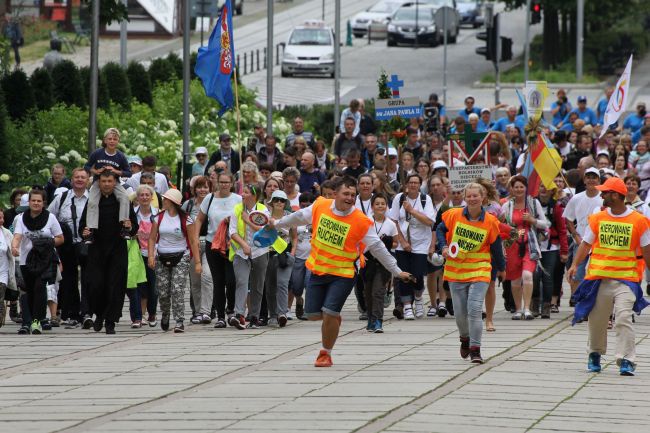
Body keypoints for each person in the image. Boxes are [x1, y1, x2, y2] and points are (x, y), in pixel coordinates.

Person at [267, 176, 412, 367]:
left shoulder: (361, 220)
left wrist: (397, 271)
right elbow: (299, 216)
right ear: (335, 194)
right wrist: (277, 224)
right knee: (312, 315)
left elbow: (377, 247)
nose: (350, 198)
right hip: (318, 270)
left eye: (353, 195)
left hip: (343, 274)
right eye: (346, 193)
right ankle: (333, 318)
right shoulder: (321, 206)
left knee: (328, 313)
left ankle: (325, 353)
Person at [568, 177, 650, 376]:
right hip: (599, 277)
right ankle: (595, 354)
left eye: (605, 192)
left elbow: (647, 250)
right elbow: (586, 244)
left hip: (627, 279)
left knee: (623, 317)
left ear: (615, 195)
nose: (601, 195)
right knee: (597, 320)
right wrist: (574, 265)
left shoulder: (639, 220)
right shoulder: (598, 218)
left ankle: (627, 360)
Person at [437, 182, 506, 363]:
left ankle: (476, 349)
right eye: (469, 196)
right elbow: (439, 229)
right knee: (460, 313)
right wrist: (443, 246)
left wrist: (502, 269)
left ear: (483, 198)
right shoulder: (454, 214)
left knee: (474, 310)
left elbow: (496, 246)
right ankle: (465, 339)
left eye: (476, 196)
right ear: (465, 198)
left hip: (480, 269)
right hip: (456, 271)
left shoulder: (490, 221)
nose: (472, 199)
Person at [80, 171, 139, 334]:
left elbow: (134, 227)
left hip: (117, 251)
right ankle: (99, 315)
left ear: (115, 183)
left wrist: (130, 227)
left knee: (115, 287)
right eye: (103, 181)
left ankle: (111, 321)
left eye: (109, 181)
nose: (106, 184)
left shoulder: (124, 202)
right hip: (96, 250)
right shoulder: (93, 201)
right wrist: (83, 232)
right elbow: (82, 225)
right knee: (96, 286)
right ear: (98, 183)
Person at [228, 183, 283, 329]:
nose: (243, 195)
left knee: (258, 285)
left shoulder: (263, 209)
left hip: (260, 251)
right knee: (241, 281)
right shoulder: (237, 209)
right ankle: (239, 314)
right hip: (241, 252)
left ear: (254, 196)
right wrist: (244, 245)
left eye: (246, 192)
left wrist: (248, 221)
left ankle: (254, 317)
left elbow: (266, 229)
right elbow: (232, 231)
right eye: (242, 192)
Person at [10, 188, 63, 334]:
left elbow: (60, 238)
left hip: (44, 260)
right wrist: (14, 247)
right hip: (26, 260)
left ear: (43, 203)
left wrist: (47, 242)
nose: (36, 203)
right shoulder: (21, 218)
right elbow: (17, 236)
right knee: (27, 291)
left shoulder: (50, 217)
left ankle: (36, 321)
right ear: (29, 202)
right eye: (33, 200)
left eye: (39, 201)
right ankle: (26, 322)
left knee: (39, 288)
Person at [194, 172, 241, 328]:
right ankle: (220, 316)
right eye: (221, 182)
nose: (224, 185)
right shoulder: (210, 198)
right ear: (217, 183)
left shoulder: (238, 199)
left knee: (231, 280)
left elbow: (244, 219)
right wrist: (195, 236)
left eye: (227, 182)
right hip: (212, 244)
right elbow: (200, 219)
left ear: (232, 183)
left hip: (232, 245)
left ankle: (231, 310)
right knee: (218, 281)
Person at [148, 189, 200, 333]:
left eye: (165, 199)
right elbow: (152, 238)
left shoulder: (186, 219)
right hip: (161, 256)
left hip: (181, 255)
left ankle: (179, 320)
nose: (163, 201)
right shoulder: (158, 217)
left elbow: (193, 240)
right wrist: (151, 256)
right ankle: (165, 314)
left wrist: (197, 262)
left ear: (173, 202)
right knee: (163, 291)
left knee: (177, 289)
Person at [501, 175, 550, 320]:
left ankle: (527, 308)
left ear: (526, 188)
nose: (519, 189)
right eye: (516, 187)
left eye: (521, 187)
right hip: (512, 246)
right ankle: (518, 309)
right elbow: (500, 224)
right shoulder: (507, 205)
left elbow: (545, 224)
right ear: (511, 189)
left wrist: (532, 220)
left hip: (530, 245)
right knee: (515, 280)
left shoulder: (534, 204)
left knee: (527, 275)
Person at [388, 174, 435, 320]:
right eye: (411, 182)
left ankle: (419, 298)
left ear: (420, 184)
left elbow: (429, 221)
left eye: (416, 182)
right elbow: (394, 221)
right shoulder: (399, 198)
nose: (413, 185)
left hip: (421, 242)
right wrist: (402, 241)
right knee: (404, 275)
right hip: (403, 242)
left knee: (418, 274)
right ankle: (407, 305)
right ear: (406, 184)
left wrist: (412, 211)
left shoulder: (425, 199)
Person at [48, 167, 90, 327]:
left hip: (87, 244)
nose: (80, 180)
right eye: (77, 177)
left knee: (88, 279)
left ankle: (86, 312)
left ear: (88, 181)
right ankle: (73, 313)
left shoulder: (93, 199)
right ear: (71, 179)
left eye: (83, 177)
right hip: (67, 246)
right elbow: (50, 217)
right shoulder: (62, 197)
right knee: (69, 280)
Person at [84, 128, 132, 243]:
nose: (112, 141)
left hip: (114, 182)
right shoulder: (98, 153)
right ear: (105, 140)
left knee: (125, 197)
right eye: (109, 139)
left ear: (118, 141)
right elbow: (87, 166)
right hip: (98, 181)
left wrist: (115, 171)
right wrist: (96, 171)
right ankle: (90, 230)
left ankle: (124, 226)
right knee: (92, 201)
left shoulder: (120, 156)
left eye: (115, 139)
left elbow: (128, 172)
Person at [563, 167, 603, 297]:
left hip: (598, 244)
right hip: (580, 242)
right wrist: (575, 236)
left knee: (596, 274)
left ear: (599, 180)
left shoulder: (604, 199)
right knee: (576, 273)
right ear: (584, 180)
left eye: (594, 177)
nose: (591, 180)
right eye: (588, 177)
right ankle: (577, 301)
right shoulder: (576, 198)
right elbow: (568, 219)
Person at [532, 183, 569, 318]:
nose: (543, 189)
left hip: (551, 247)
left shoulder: (557, 207)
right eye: (541, 186)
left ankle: (546, 306)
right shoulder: (532, 204)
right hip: (534, 245)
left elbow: (562, 230)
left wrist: (564, 251)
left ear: (552, 191)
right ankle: (534, 303)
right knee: (534, 277)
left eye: (547, 187)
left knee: (548, 277)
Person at [363, 193, 398, 333]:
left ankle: (378, 320)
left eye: (383, 204)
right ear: (372, 207)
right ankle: (371, 318)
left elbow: (396, 243)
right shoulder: (366, 221)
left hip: (383, 261)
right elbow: (359, 239)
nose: (380, 206)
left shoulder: (391, 224)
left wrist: (387, 241)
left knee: (378, 291)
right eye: (377, 204)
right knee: (368, 292)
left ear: (387, 206)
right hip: (368, 261)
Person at [182, 176, 214, 325]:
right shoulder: (187, 205)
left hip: (209, 243)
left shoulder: (214, 204)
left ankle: (206, 312)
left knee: (207, 276)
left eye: (206, 187)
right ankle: (197, 311)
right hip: (192, 245)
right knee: (195, 281)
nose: (203, 190)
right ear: (194, 189)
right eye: (199, 187)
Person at [265, 190, 297, 328]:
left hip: (285, 254)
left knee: (282, 284)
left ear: (285, 203)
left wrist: (293, 253)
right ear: (271, 201)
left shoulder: (290, 217)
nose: (279, 202)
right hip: (268, 254)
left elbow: (294, 237)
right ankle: (273, 315)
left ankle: (282, 313)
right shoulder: (265, 216)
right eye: (276, 199)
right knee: (270, 286)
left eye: (282, 200)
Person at [133, 184, 158, 327]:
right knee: (138, 285)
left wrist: (154, 254)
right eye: (141, 195)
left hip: (153, 254)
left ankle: (152, 313)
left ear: (151, 197)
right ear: (137, 197)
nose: (144, 197)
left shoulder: (157, 214)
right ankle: (139, 315)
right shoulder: (133, 214)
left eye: (147, 195)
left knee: (152, 285)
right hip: (136, 254)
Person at [0, 208, 18, 328]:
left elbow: (14, 249)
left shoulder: (6, 233)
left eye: (2, 218)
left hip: (3, 272)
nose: (1, 221)